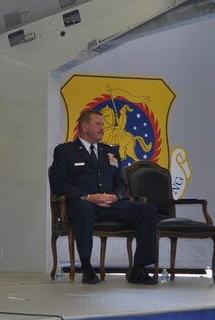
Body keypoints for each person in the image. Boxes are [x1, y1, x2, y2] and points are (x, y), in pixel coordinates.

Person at [49, 110, 159, 285]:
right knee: (83, 209)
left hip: (110, 204)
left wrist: (116, 196)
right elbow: (58, 184)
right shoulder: (66, 151)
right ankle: (87, 268)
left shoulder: (111, 152)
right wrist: (87, 197)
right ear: (85, 127)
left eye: (103, 124)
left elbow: (121, 184)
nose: (102, 128)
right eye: (98, 124)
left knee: (148, 211)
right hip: (83, 204)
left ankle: (138, 269)